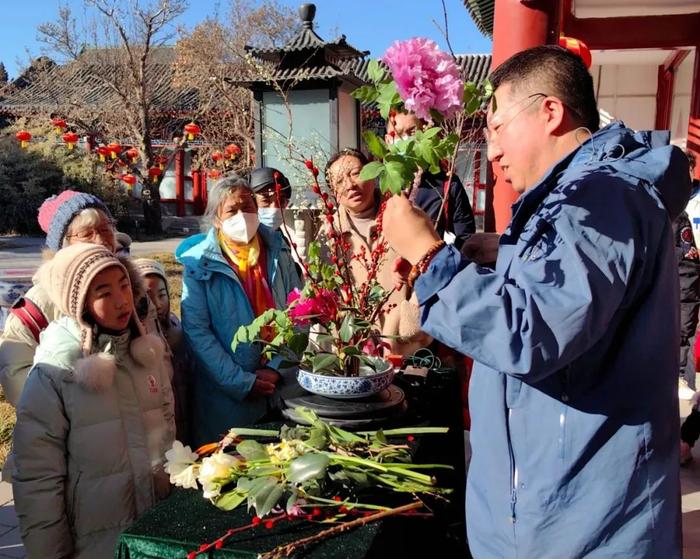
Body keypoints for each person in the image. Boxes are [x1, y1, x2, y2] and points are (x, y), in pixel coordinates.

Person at [382, 45, 689, 557]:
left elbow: (534, 332)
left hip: (587, 529)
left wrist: (429, 253)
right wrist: (504, 251)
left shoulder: (600, 199)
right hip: (547, 510)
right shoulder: (577, 198)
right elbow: (573, 289)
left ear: (550, 112)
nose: (493, 150)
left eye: (498, 128)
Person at [12, 243, 175, 559]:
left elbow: (168, 431)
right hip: (95, 541)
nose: (121, 301)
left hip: (154, 534)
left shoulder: (146, 353)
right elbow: (38, 478)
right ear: (79, 304)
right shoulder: (55, 372)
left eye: (125, 285)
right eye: (103, 293)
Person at [0, 190, 162, 408]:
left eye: (105, 229)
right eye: (87, 233)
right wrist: (69, 412)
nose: (100, 240)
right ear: (62, 244)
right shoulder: (41, 300)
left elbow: (160, 358)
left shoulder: (133, 287)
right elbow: (17, 376)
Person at [176, 175, 301, 446]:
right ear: (217, 219)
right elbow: (197, 331)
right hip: (226, 398)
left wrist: (278, 368)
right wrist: (241, 382)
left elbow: (298, 312)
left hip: (281, 388)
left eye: (248, 207)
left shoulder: (279, 251)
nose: (242, 216)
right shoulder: (199, 264)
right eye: (232, 210)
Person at [325, 148, 431, 356]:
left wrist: (410, 320)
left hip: (405, 351)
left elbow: (432, 270)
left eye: (356, 173)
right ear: (333, 191)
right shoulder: (327, 236)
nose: (350, 185)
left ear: (373, 174)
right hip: (351, 357)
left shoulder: (407, 218)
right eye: (339, 180)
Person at [385, 110, 476, 248]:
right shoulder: (377, 185)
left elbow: (466, 242)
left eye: (412, 132)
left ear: (426, 134)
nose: (405, 140)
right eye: (397, 134)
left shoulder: (448, 185)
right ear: (387, 141)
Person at [134, 257, 192, 444]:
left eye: (162, 295)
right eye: (147, 297)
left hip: (190, 416)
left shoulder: (179, 328)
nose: (157, 304)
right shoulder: (137, 343)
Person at [673, 205, 700, 399]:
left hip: (682, 291)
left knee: (684, 334)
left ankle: (681, 377)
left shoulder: (675, 215)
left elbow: (687, 260)